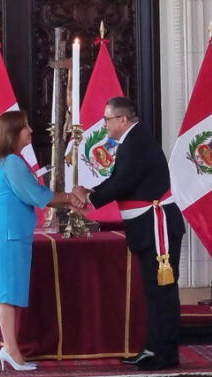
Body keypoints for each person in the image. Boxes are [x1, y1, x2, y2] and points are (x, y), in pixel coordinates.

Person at [73, 97, 185, 371]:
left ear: (123, 120)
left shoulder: (137, 142)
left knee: (161, 291)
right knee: (152, 290)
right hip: (147, 226)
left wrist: (89, 199)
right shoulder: (133, 141)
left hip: (157, 226)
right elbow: (120, 178)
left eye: (107, 119)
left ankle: (164, 353)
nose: (104, 124)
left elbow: (123, 182)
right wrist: (90, 192)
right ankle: (153, 347)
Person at [0, 110, 84, 372]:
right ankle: (11, 349)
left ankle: (11, 348)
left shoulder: (8, 161)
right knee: (6, 294)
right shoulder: (12, 162)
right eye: (25, 126)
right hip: (7, 236)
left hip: (9, 235)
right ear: (14, 132)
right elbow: (37, 196)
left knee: (8, 293)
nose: (30, 130)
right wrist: (70, 198)